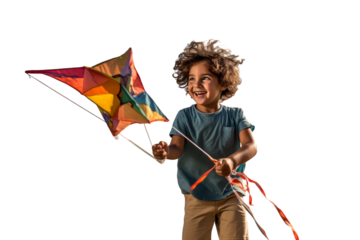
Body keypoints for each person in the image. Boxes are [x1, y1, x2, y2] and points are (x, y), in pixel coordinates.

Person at [151, 37, 257, 240]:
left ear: (223, 81)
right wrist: (164, 151)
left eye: (205, 78)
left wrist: (232, 161)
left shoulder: (235, 115)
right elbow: (176, 150)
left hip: (231, 194)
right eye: (191, 78)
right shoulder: (184, 116)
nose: (196, 84)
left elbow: (251, 146)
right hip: (196, 196)